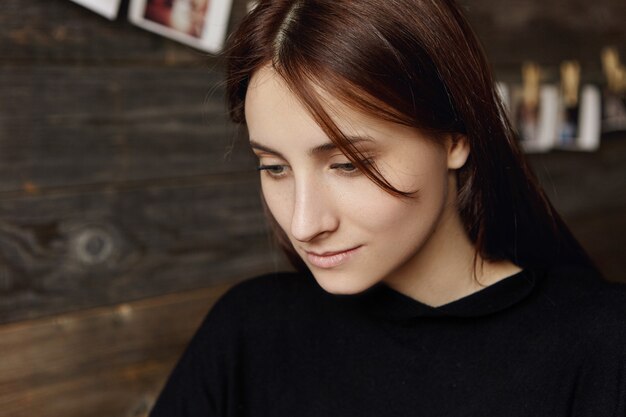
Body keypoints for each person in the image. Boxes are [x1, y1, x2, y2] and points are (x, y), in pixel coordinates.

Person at [149, 0, 626, 415]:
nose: (303, 223)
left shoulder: (603, 344)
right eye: (274, 168)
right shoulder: (248, 333)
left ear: (455, 138)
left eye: (348, 164)